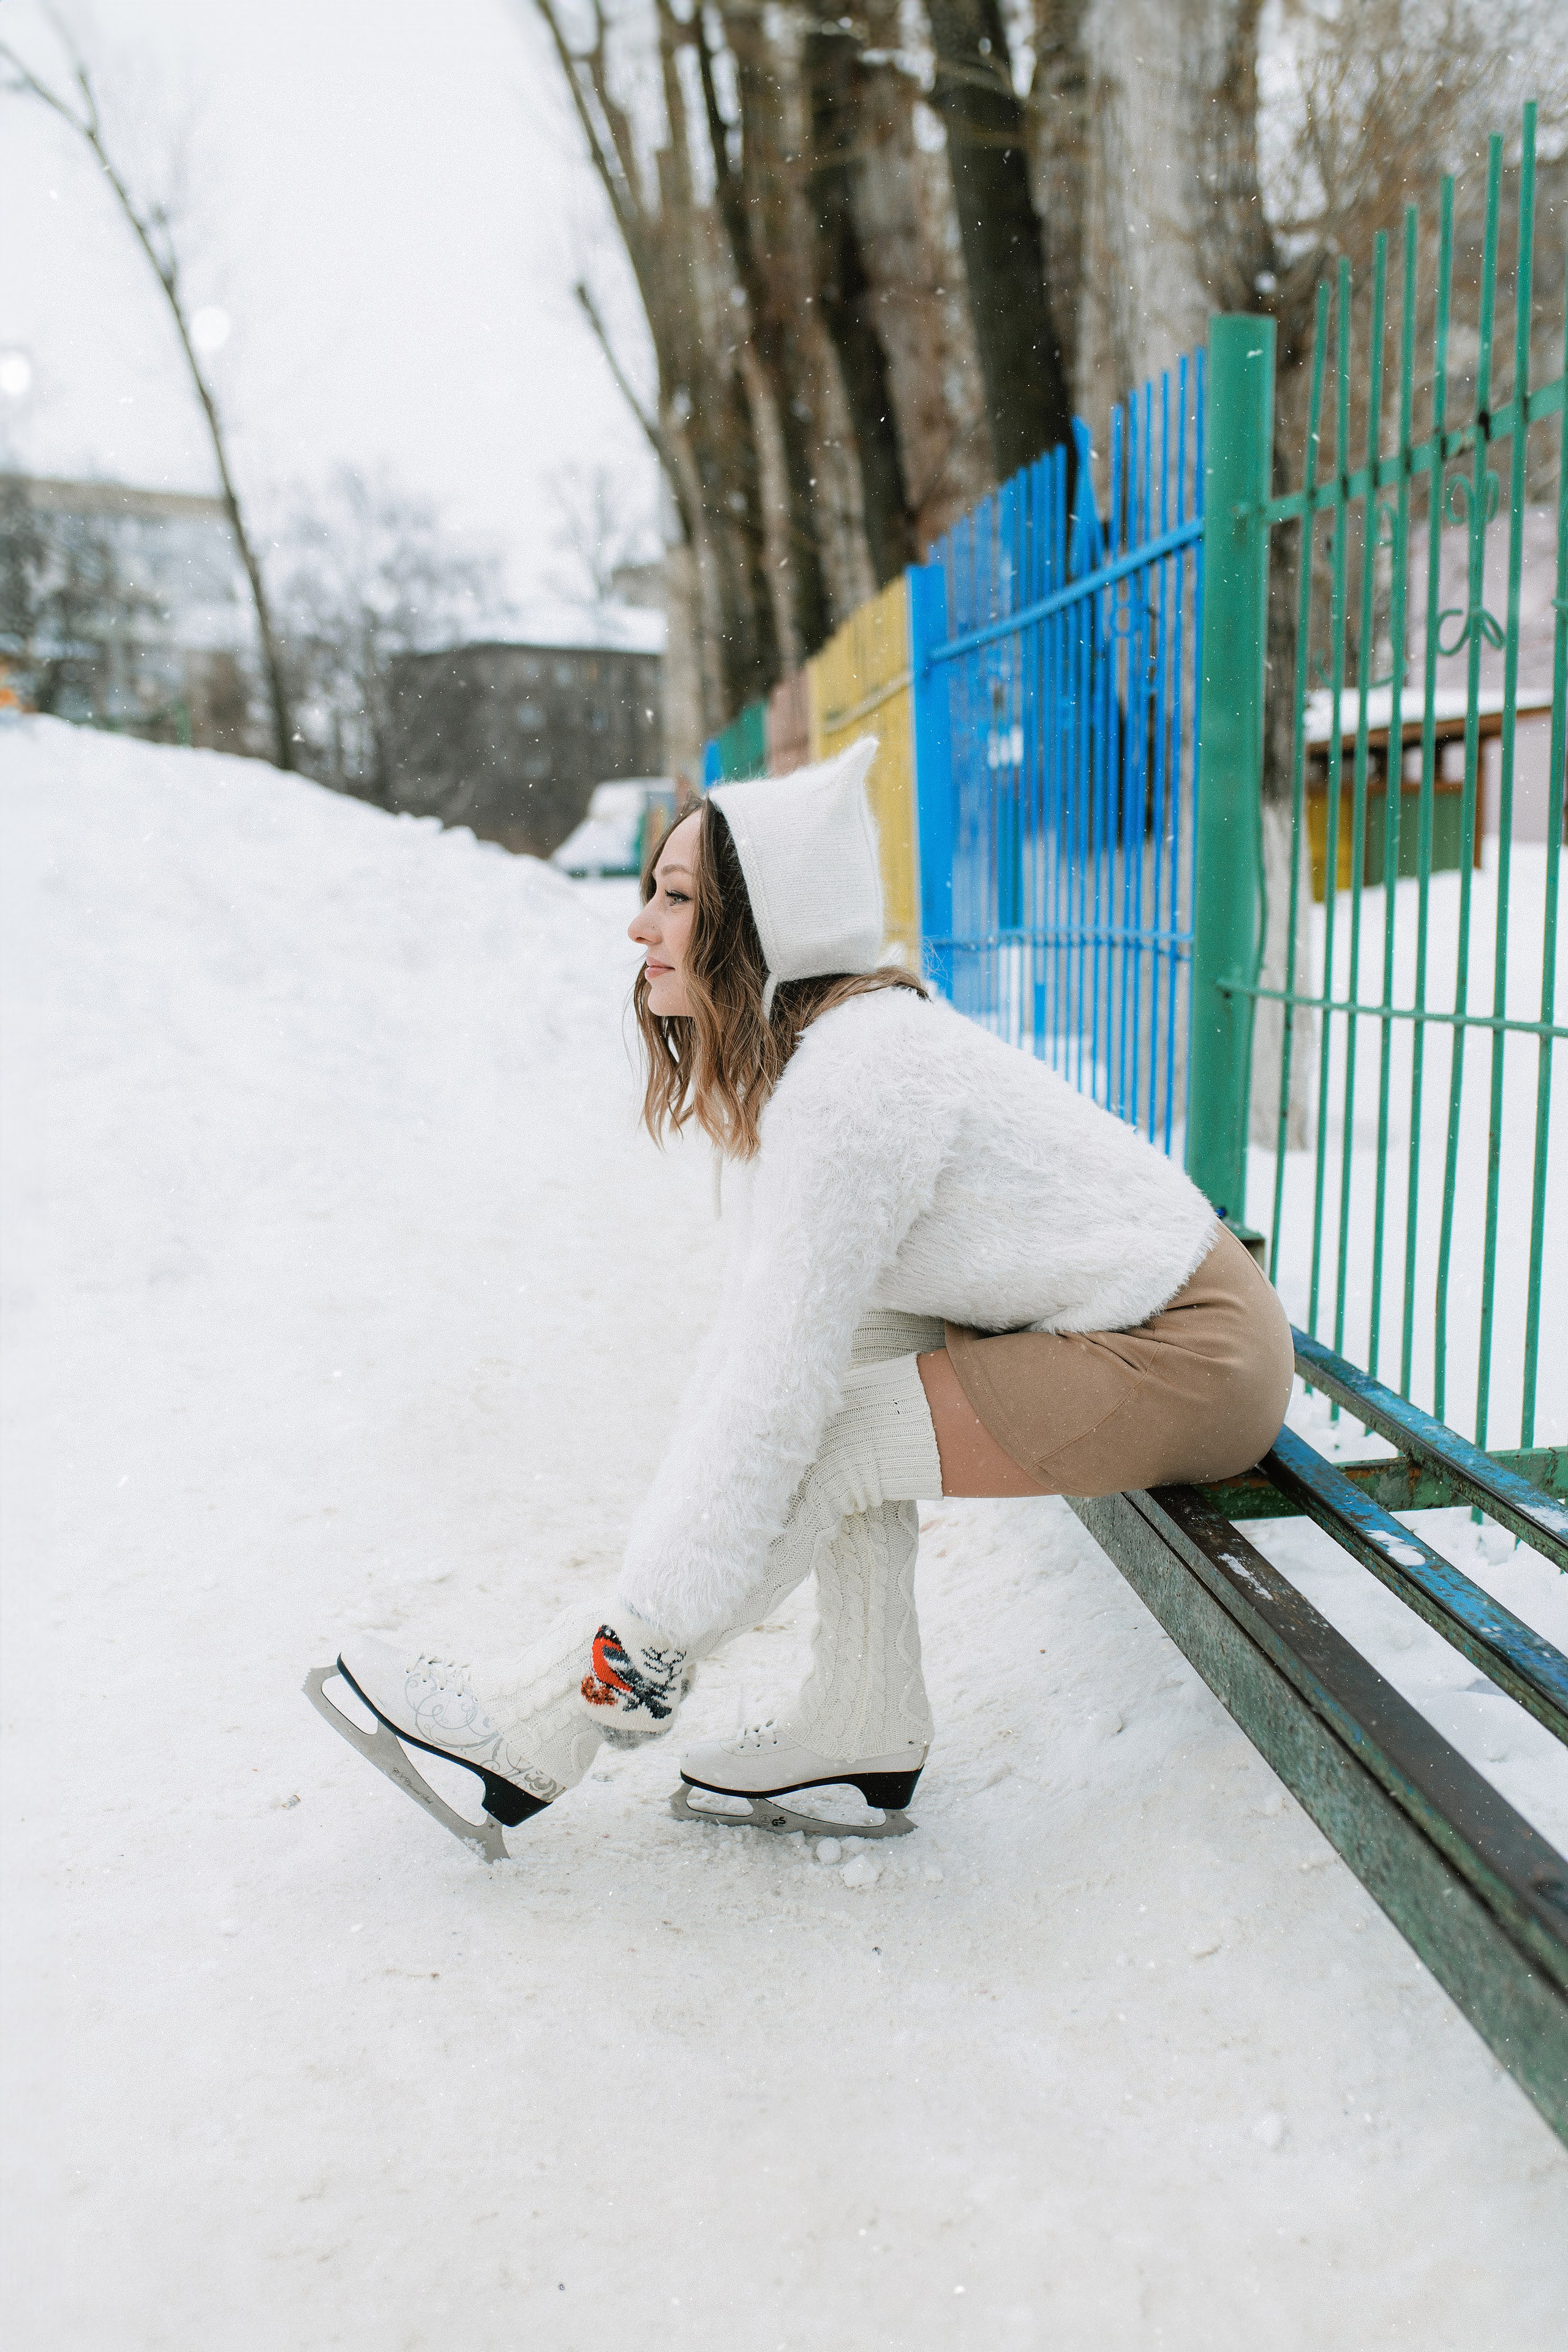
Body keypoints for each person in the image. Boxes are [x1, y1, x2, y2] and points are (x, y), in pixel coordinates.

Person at [333, 738, 1294, 1841]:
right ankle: (864, 1715)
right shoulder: (829, 1056)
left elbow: (772, 1408)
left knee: (828, 1435)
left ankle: (544, 1717)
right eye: (652, 892)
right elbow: (758, 1349)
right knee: (848, 1357)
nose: (640, 924)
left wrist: (641, 1638)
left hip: (1189, 1355)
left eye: (678, 898)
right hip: (1144, 1325)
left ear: (763, 925)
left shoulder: (856, 1082)